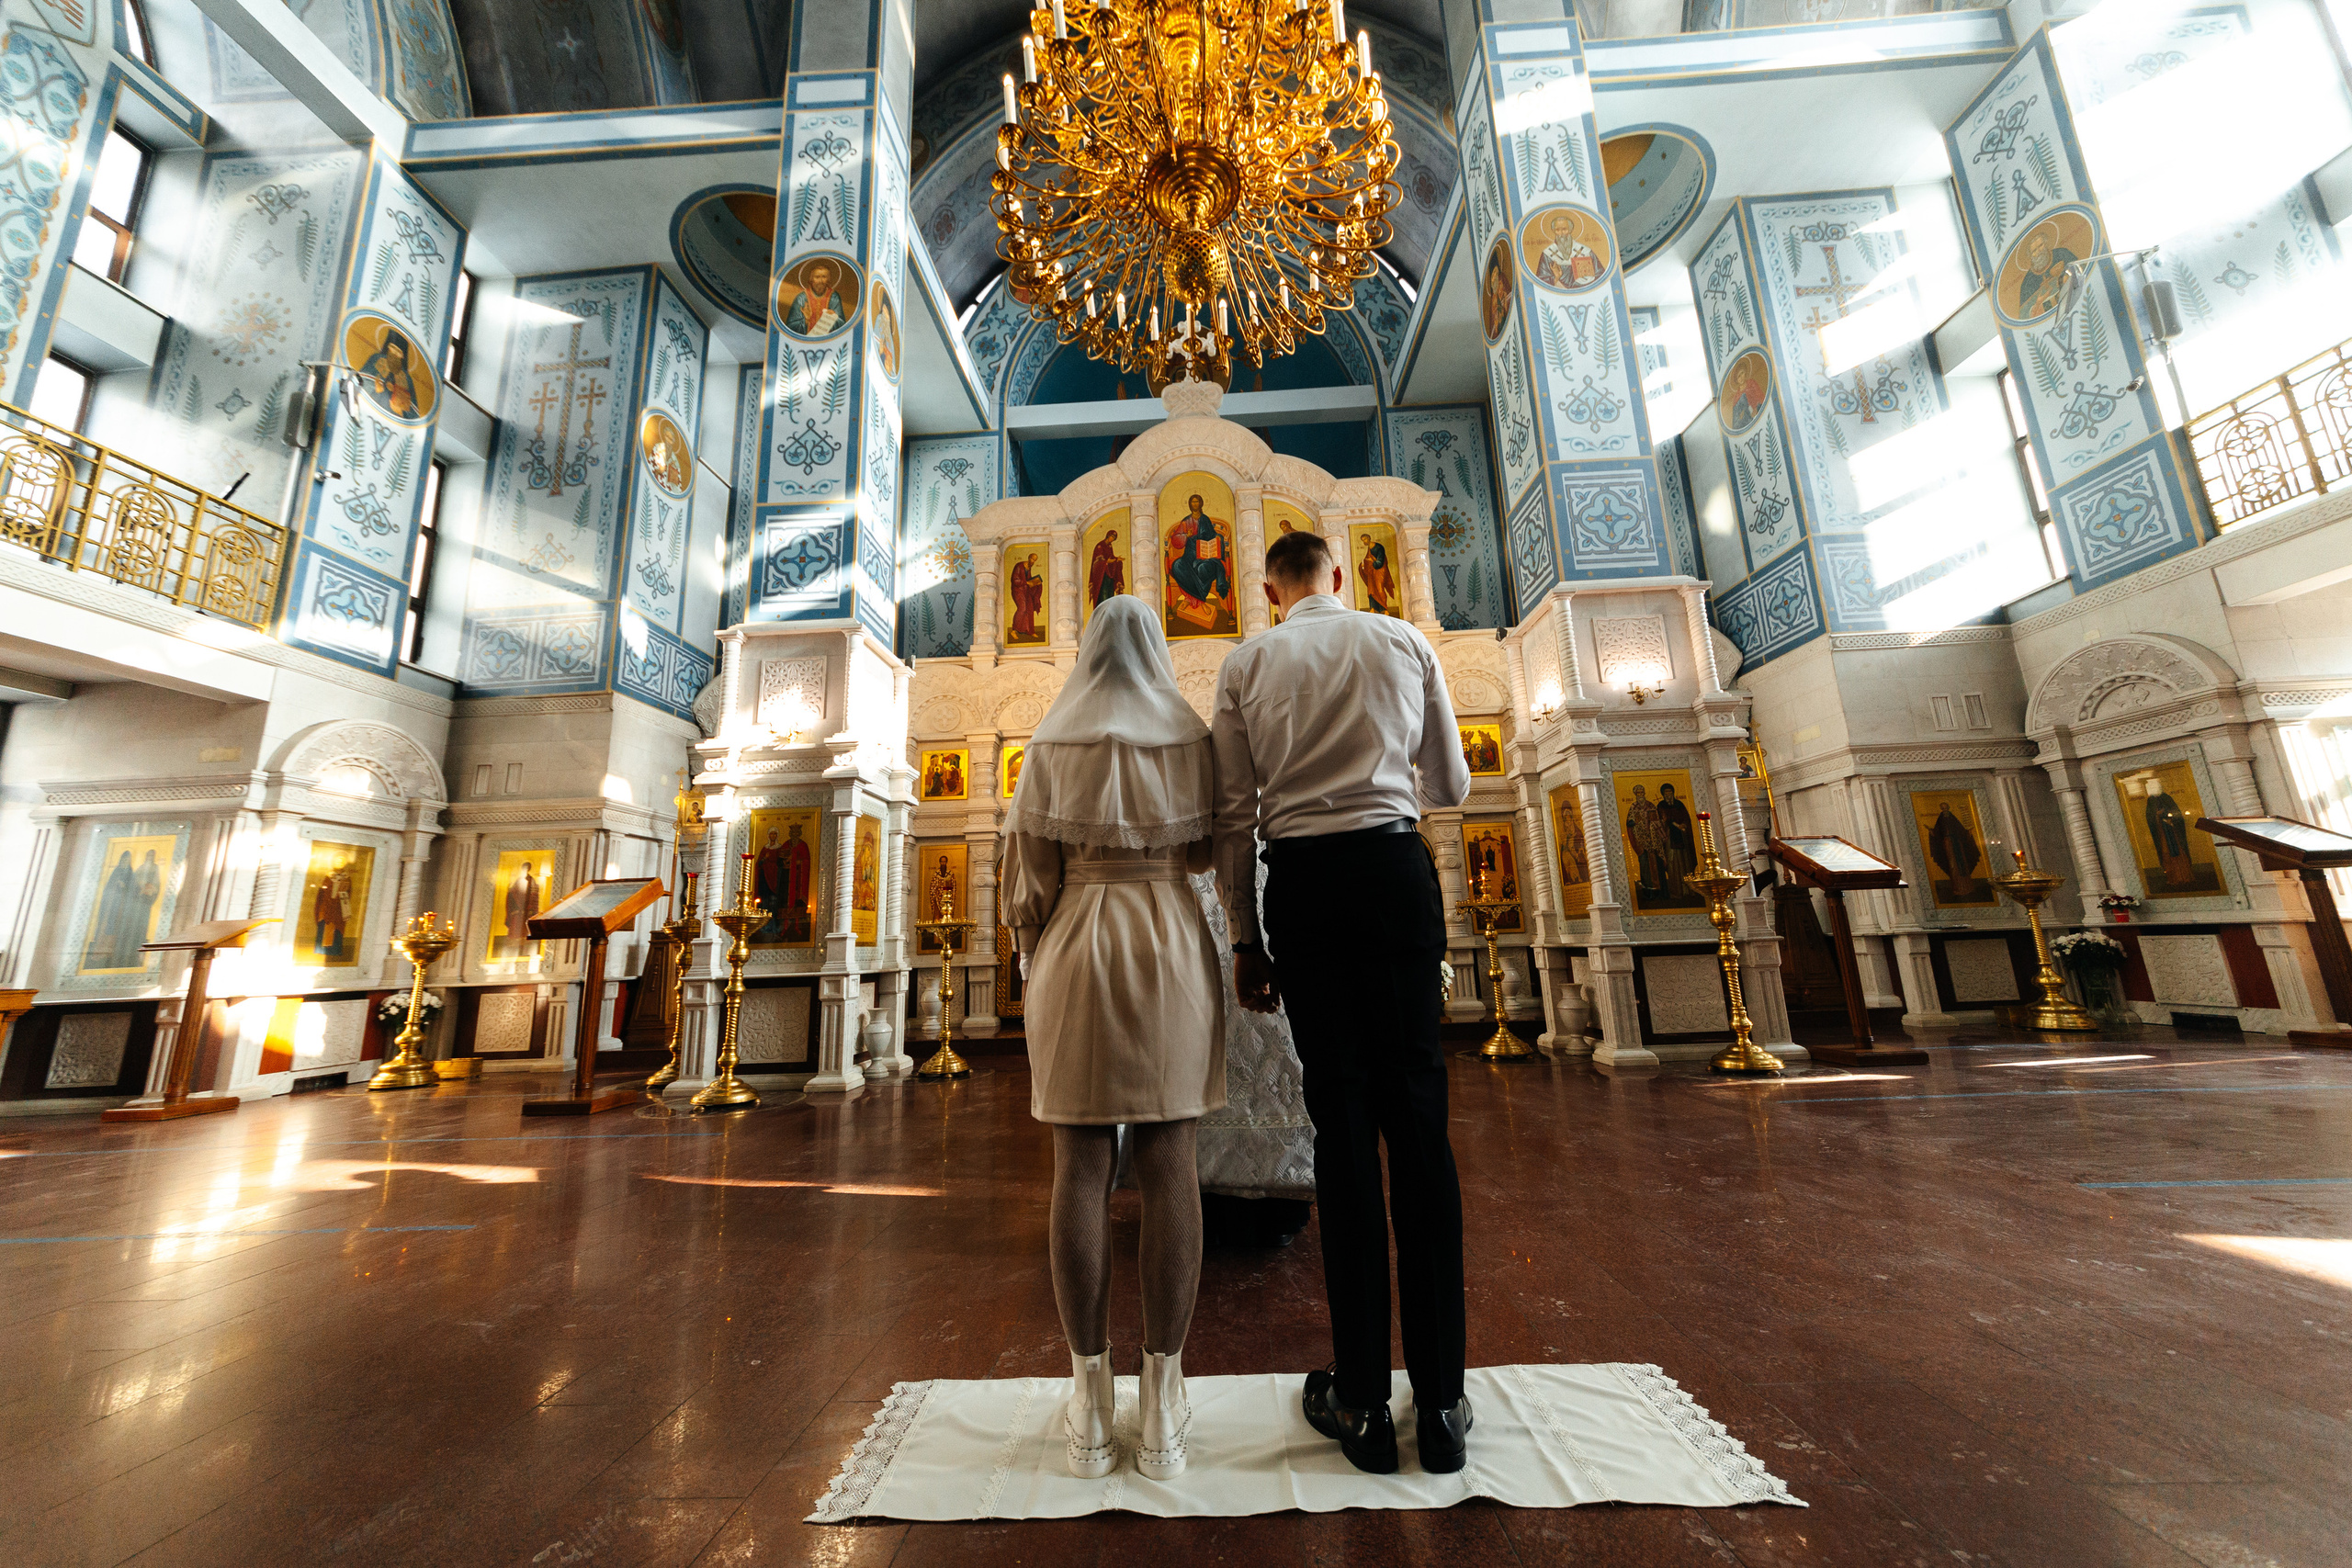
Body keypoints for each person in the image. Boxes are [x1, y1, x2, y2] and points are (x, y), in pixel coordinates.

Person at [1211, 528, 1474, 1476]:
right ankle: (1441, 1404)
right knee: (1419, 1116)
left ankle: (1362, 1401)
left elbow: (1232, 815)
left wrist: (1246, 936)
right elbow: (1449, 782)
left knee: (1342, 1119)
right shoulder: (1402, 641)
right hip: (1396, 872)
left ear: (1272, 589)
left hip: (1306, 889)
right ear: (1339, 576)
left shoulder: (1249, 660)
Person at [1001, 596, 1224, 1482]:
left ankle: (1090, 1402)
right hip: (1169, 937)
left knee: (1080, 1166)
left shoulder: (1052, 743)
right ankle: (1163, 1400)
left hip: (1076, 944)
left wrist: (1032, 956)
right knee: (1173, 1159)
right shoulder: (1190, 735)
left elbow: (1030, 879)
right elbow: (1211, 848)